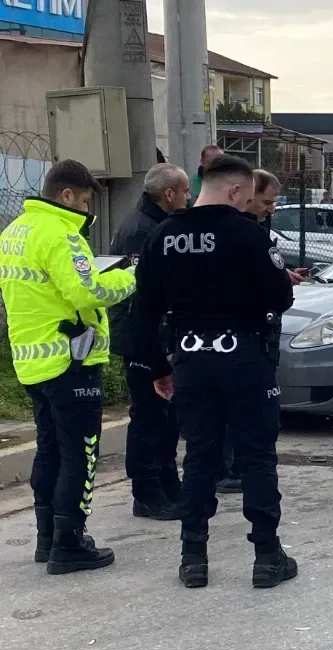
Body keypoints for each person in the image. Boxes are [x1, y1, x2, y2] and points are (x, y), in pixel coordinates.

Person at [132, 155, 297, 589]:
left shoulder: (164, 235)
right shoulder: (249, 234)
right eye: (246, 196)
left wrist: (157, 365)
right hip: (242, 355)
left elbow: (143, 310)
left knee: (200, 455)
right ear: (237, 190)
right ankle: (266, 556)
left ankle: (193, 557)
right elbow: (280, 297)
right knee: (257, 454)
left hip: (189, 357)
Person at [0, 160, 137, 574]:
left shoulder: (14, 231)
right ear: (66, 196)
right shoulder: (61, 234)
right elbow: (87, 289)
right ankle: (70, 542)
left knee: (50, 448)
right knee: (80, 452)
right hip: (70, 359)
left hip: (32, 360)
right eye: (84, 200)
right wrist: (132, 277)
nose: (86, 208)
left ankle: (47, 538)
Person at [109, 163, 190, 521]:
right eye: (185, 191)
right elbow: (143, 294)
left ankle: (168, 482)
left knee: (167, 417)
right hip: (141, 336)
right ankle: (147, 491)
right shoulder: (142, 230)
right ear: (168, 194)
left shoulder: (157, 223)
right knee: (148, 417)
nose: (188, 197)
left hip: (157, 334)